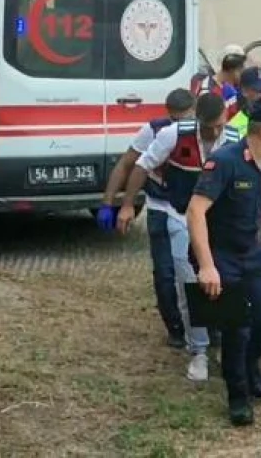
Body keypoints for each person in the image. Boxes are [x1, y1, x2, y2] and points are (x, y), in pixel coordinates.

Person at [117, 93, 239, 383]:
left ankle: (225, 341)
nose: (214, 133)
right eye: (208, 127)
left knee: (228, 279)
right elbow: (141, 166)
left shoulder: (235, 139)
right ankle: (198, 349)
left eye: (219, 125)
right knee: (189, 283)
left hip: (219, 222)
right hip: (180, 216)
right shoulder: (173, 135)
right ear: (198, 121)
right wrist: (126, 204)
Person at [187, 98, 261, 426]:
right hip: (223, 256)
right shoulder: (224, 163)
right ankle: (238, 396)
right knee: (238, 328)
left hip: (253, 253)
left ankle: (248, 364)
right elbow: (195, 211)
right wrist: (206, 265)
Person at [96, 87, 196, 349]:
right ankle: (175, 328)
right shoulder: (155, 131)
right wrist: (112, 203)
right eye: (174, 119)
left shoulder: (205, 132)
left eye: (182, 119)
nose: (178, 126)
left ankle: (204, 327)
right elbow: (127, 164)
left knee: (198, 270)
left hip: (194, 211)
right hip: (161, 207)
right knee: (164, 273)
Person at [192, 52, 245, 119]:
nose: (244, 75)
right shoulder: (207, 89)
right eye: (241, 72)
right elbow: (207, 119)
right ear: (233, 71)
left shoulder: (229, 89)